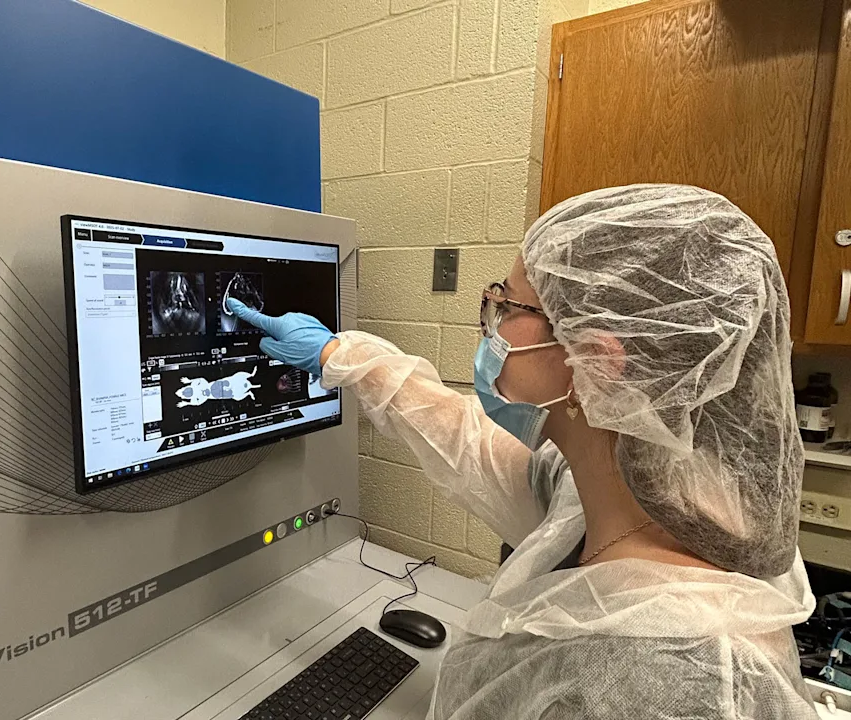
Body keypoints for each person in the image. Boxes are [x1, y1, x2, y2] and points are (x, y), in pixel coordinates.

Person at [227, 184, 817, 718]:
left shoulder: (671, 683)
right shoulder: (640, 494)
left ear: (599, 365)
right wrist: (340, 355)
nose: (493, 324)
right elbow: (472, 447)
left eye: (509, 306)